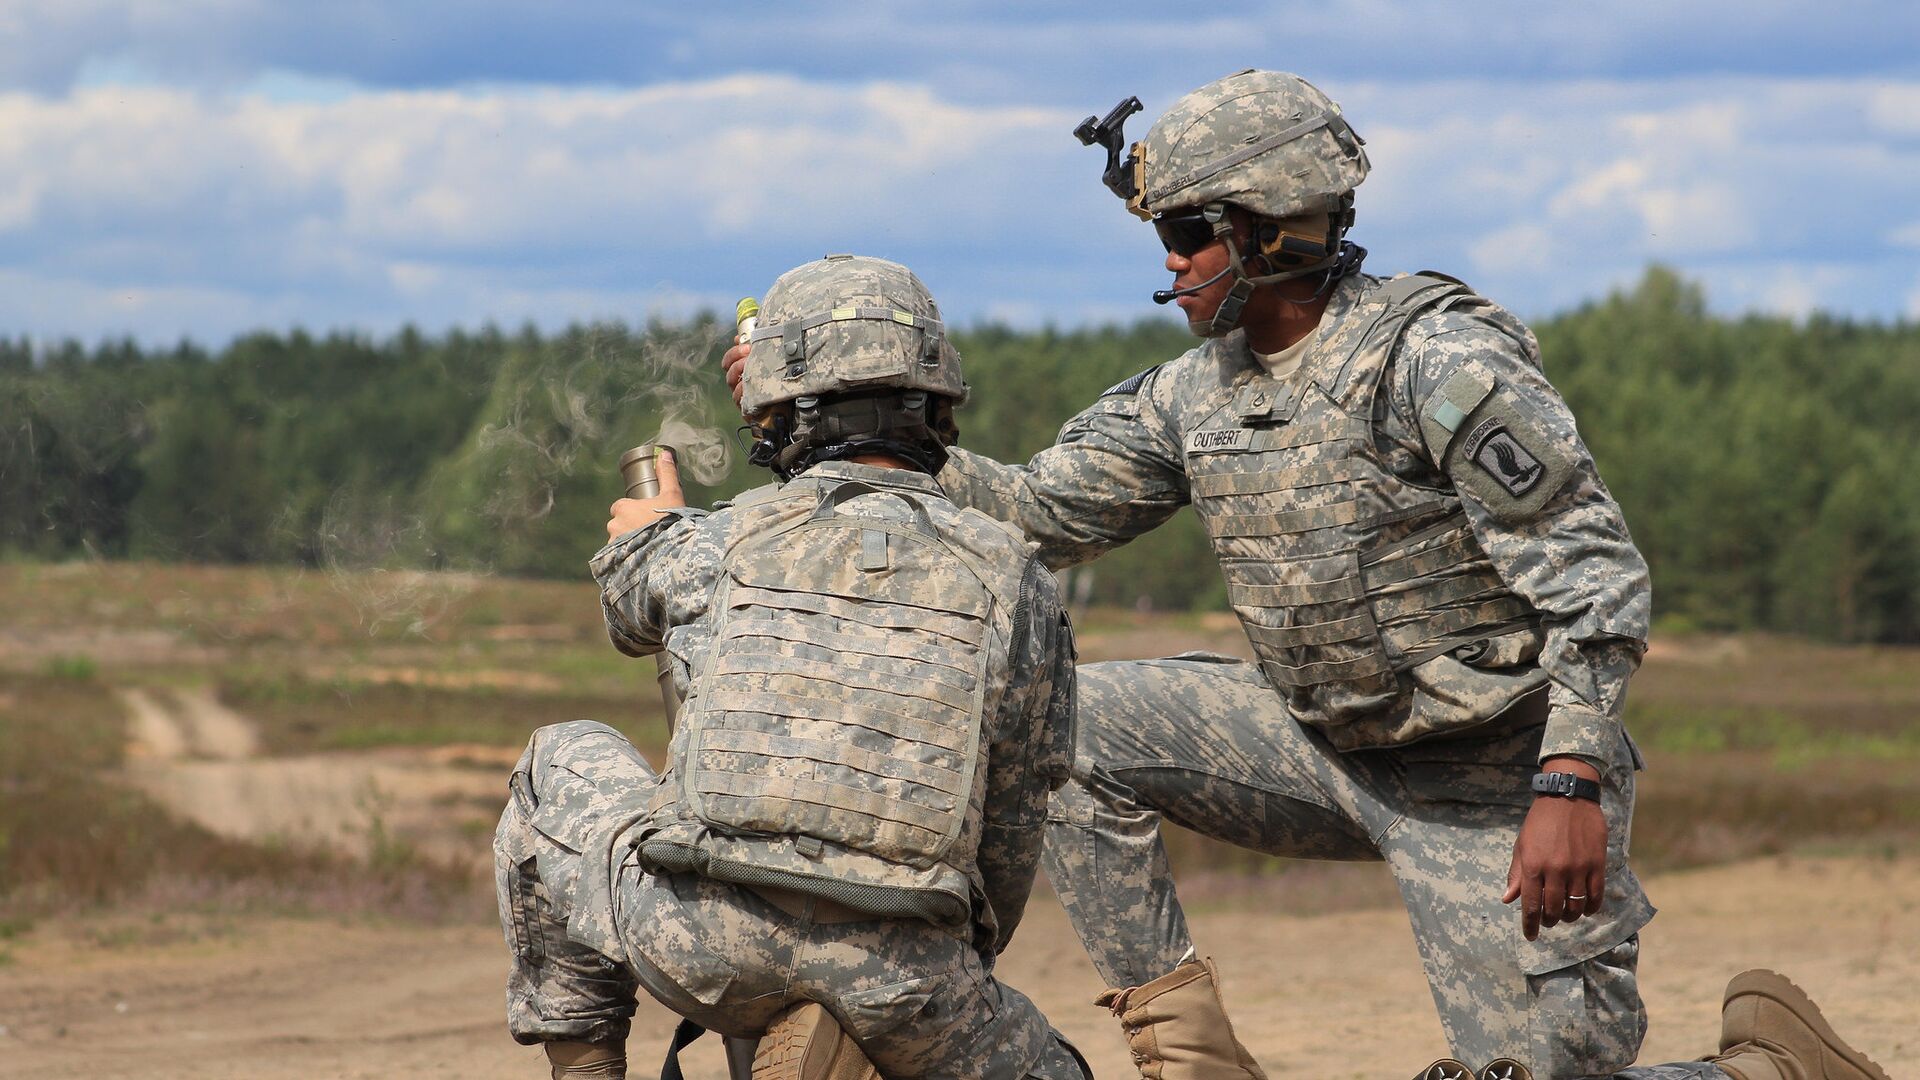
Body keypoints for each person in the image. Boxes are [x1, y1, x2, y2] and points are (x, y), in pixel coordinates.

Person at [715, 72, 1893, 1080]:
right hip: (1317, 745)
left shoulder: (1434, 361)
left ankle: (1769, 1066)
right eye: (1164, 242)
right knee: (1058, 727)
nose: (1172, 269)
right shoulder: (1192, 394)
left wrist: (1572, 782)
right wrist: (842, 421)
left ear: (1276, 228)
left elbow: (1596, 577)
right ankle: (1190, 1051)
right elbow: (1037, 512)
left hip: (1499, 782)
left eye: (1190, 237)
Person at [496, 255, 1089, 1080]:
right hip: (906, 973)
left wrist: (654, 527)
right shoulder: (1015, 574)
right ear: (940, 404)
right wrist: (944, 967)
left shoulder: (717, 539)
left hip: (702, 945)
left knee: (554, 761)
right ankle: (850, 1035)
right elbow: (1017, 822)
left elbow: (629, 614)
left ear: (784, 409)